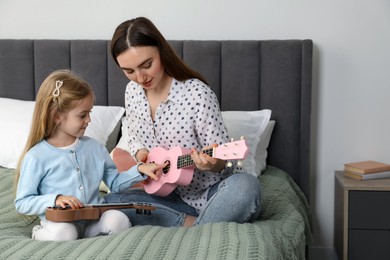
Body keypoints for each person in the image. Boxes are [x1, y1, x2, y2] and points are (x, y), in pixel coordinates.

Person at [105, 17, 262, 227]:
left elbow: (224, 164)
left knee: (246, 187)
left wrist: (212, 163)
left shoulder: (197, 94)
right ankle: (195, 224)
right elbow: (133, 134)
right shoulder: (132, 92)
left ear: (161, 51)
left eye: (147, 65)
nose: (141, 78)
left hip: (211, 196)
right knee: (107, 202)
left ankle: (191, 227)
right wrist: (141, 154)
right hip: (165, 197)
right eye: (129, 71)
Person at [14, 69, 166, 241]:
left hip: (93, 220)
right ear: (57, 116)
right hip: (60, 224)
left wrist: (139, 170)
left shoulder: (95, 149)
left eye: (89, 113)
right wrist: (55, 199)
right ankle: (38, 233)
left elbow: (115, 183)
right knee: (65, 233)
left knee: (118, 220)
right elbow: (22, 202)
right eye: (82, 115)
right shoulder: (36, 156)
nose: (88, 120)